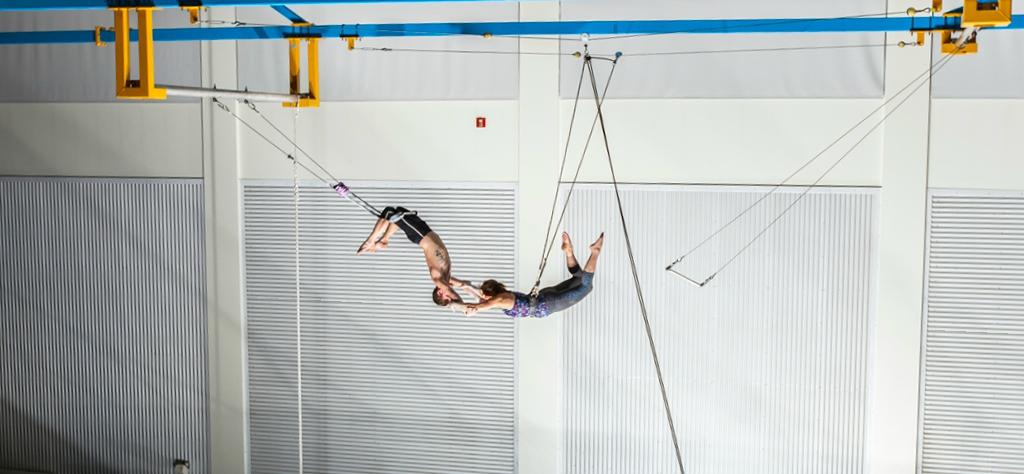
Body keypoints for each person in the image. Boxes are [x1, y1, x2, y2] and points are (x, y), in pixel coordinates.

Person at [463, 231, 603, 318]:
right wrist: (460, 287)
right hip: (545, 298)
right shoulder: (504, 296)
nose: (482, 299)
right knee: (579, 278)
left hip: (548, 303)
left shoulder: (501, 300)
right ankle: (569, 253)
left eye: (484, 297)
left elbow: (491, 303)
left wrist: (475, 308)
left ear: (491, 296)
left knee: (586, 286)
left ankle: (595, 252)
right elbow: (481, 296)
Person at [357, 206, 467, 306]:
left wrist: (461, 305)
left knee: (389, 213)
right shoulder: (446, 278)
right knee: (399, 213)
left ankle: (370, 241)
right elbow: (463, 285)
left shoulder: (437, 279)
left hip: (420, 235)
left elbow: (450, 291)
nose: (452, 295)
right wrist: (479, 294)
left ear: (440, 292)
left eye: (449, 296)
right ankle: (384, 240)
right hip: (425, 230)